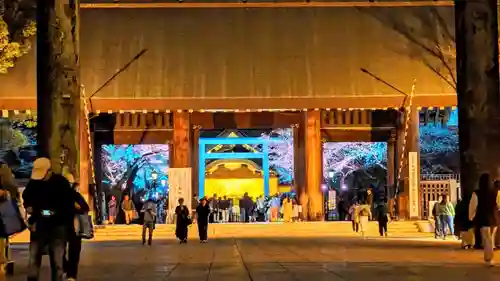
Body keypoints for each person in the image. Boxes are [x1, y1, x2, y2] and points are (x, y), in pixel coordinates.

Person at [23, 158, 80, 281]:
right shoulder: (33, 183)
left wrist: (54, 213)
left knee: (57, 261)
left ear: (49, 171)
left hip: (58, 226)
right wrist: (28, 207)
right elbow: (26, 198)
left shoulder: (61, 183)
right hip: (39, 224)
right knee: (33, 259)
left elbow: (68, 205)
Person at [469, 173, 500, 266]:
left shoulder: (477, 193)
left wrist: (471, 217)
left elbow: (473, 206)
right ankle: (490, 257)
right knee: (491, 238)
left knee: (487, 239)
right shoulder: (496, 192)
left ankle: (489, 258)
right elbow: (498, 205)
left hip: (483, 218)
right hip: (494, 218)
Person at [63, 179, 90, 281]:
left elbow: (85, 208)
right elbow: (85, 208)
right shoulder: (75, 196)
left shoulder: (59, 196)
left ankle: (69, 271)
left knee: (61, 251)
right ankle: (71, 274)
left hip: (67, 226)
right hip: (74, 227)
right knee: (74, 252)